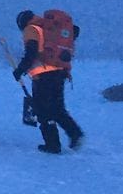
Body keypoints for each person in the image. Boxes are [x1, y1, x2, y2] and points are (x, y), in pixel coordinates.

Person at [13, 10, 84, 154]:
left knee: (42, 110)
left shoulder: (31, 29)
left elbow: (31, 52)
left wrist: (20, 70)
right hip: (59, 72)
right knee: (57, 108)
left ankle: (52, 144)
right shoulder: (47, 28)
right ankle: (75, 133)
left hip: (43, 75)